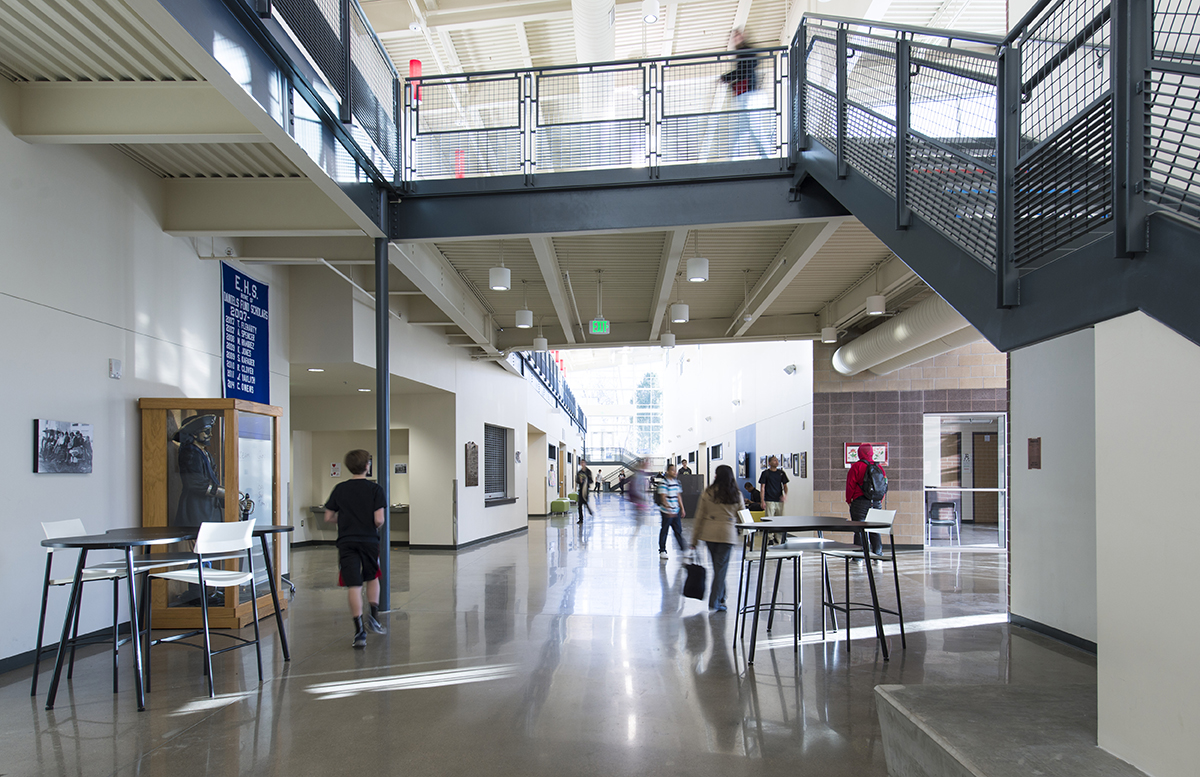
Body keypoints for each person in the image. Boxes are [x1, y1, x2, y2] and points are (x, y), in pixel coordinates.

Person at [324, 449, 388, 648]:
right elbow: (379, 520)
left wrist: (344, 521)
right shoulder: (375, 489)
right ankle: (374, 618)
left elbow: (328, 517)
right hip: (369, 540)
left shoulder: (340, 489)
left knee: (354, 584)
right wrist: (368, 524)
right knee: (372, 577)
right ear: (367, 466)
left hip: (346, 540)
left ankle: (359, 631)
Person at [690, 464, 744, 612]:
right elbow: (742, 517)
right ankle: (714, 601)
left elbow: (699, 516)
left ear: (716, 476)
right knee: (720, 569)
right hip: (727, 535)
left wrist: (694, 540)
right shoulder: (736, 494)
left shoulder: (708, 493)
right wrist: (746, 532)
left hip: (709, 535)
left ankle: (722, 598)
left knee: (719, 568)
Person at [720, 28, 767, 157]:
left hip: (748, 94)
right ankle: (761, 155)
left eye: (738, 36)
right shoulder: (744, 52)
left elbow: (743, 71)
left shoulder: (745, 51)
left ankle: (762, 155)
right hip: (747, 93)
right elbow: (744, 70)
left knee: (748, 127)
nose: (736, 39)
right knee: (745, 128)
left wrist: (726, 78)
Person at [174, 414, 224, 527]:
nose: (210, 435)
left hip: (210, 508)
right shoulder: (190, 453)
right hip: (196, 509)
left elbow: (214, 480)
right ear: (194, 434)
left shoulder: (206, 453)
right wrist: (225, 493)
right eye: (206, 432)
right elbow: (195, 482)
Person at [846, 443, 886, 556]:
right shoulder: (879, 468)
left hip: (860, 502)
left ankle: (859, 557)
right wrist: (879, 500)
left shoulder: (856, 467)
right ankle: (878, 555)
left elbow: (850, 485)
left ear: (859, 453)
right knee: (875, 530)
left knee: (859, 530)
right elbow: (884, 486)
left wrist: (849, 500)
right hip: (876, 503)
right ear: (872, 452)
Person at [656, 462, 687, 559]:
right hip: (667, 512)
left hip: (676, 511)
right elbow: (663, 497)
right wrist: (668, 509)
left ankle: (684, 550)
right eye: (672, 470)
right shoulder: (663, 483)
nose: (675, 472)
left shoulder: (677, 482)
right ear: (668, 471)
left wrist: (682, 508)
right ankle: (662, 550)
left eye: (675, 470)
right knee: (664, 530)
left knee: (678, 531)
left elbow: (678, 496)